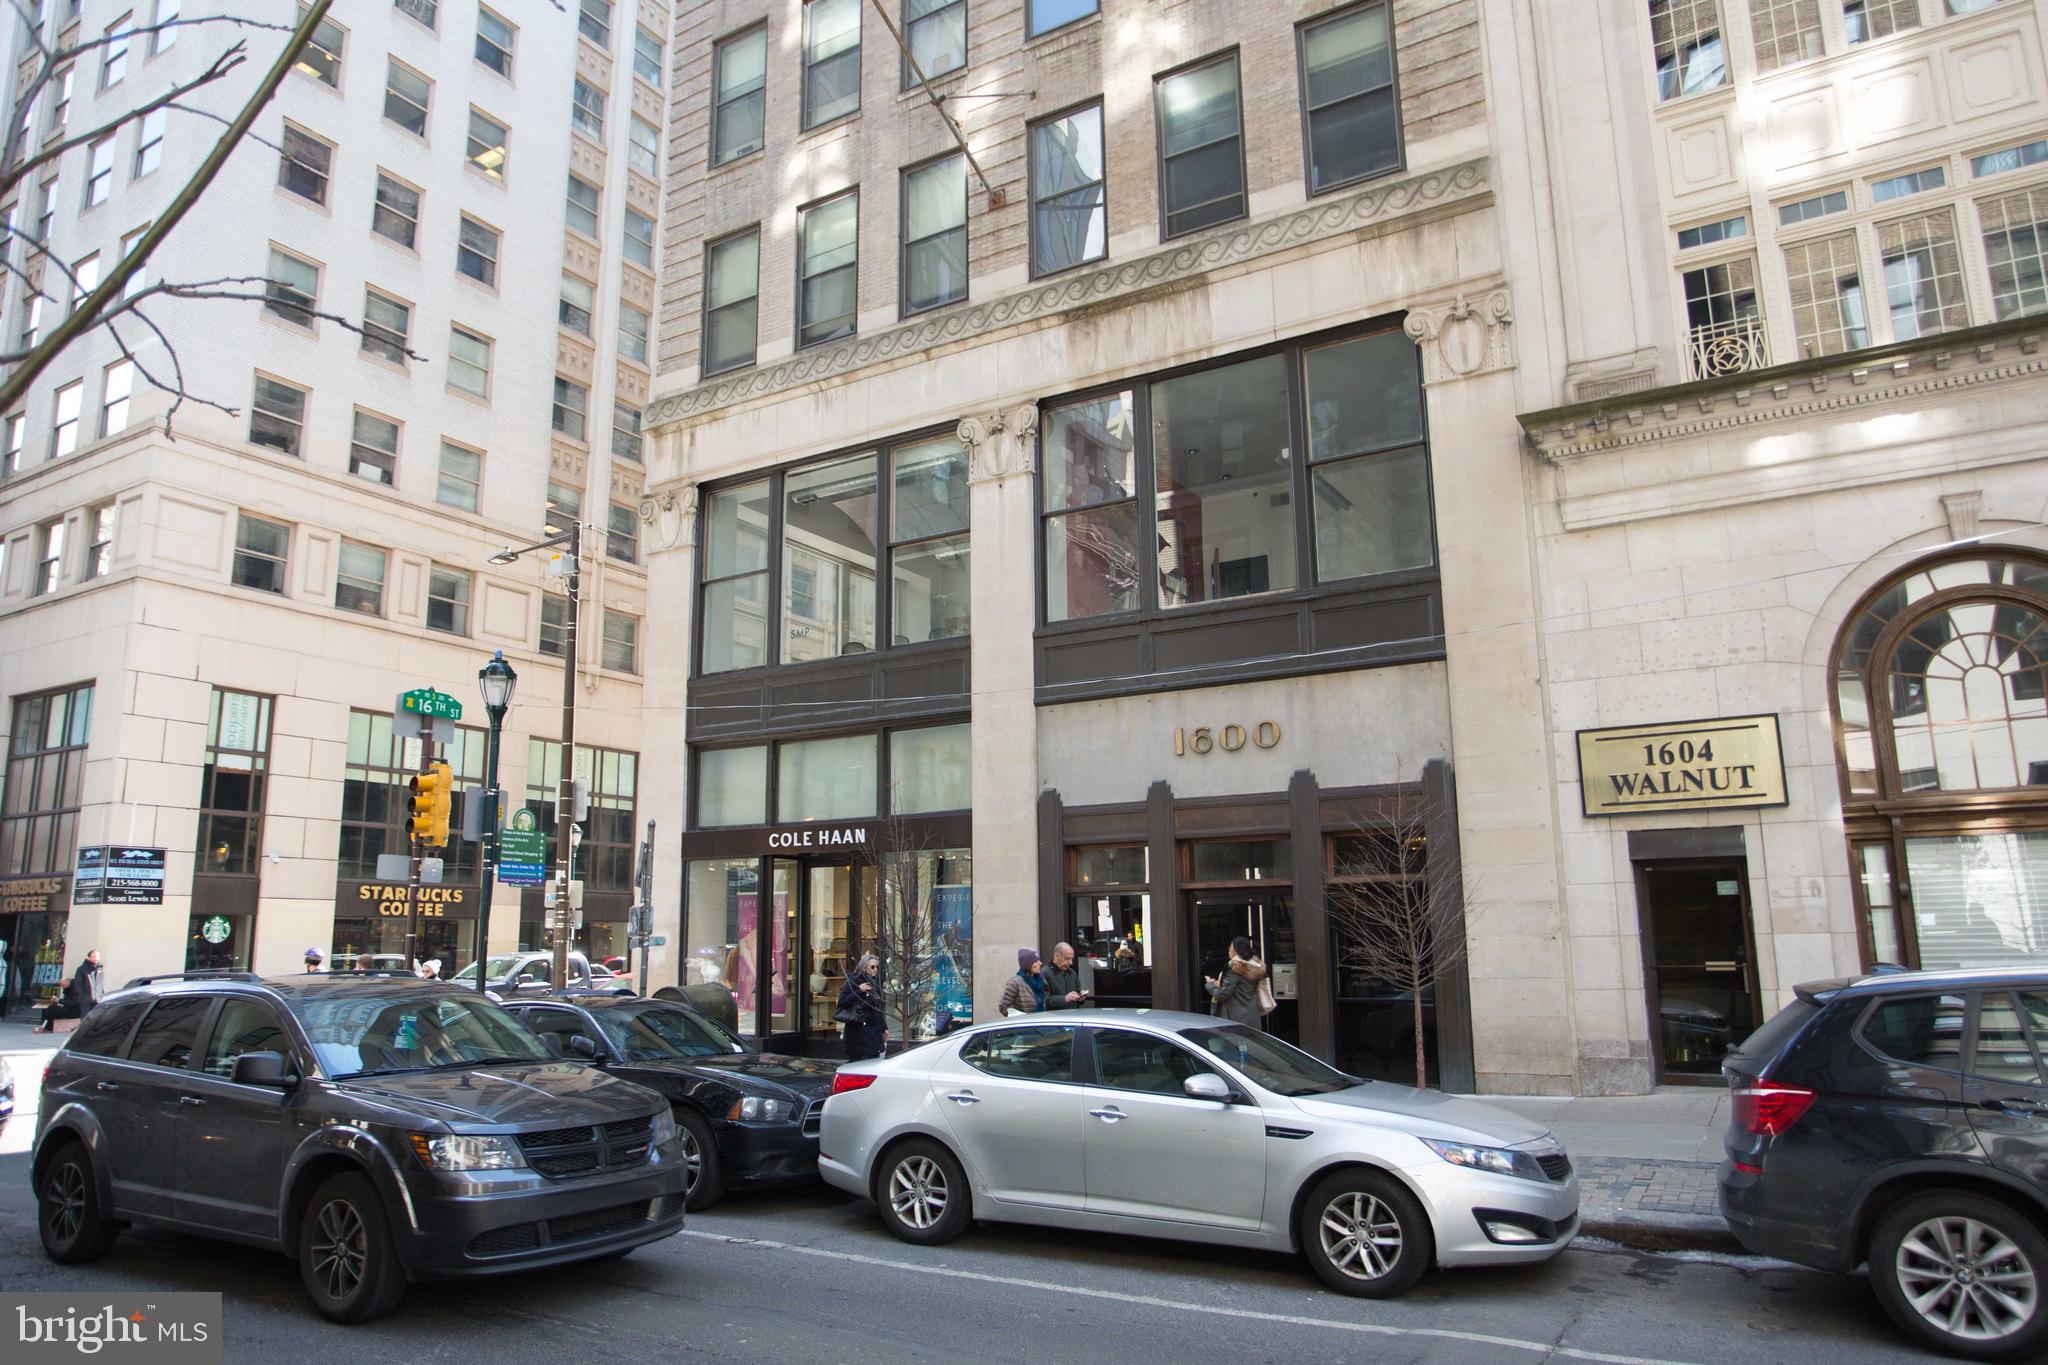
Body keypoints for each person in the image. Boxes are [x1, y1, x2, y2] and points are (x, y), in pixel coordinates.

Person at [1205, 935, 1266, 1027]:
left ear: (1236, 950)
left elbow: (1223, 994)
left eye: (1231, 946)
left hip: (1235, 1020)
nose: (1229, 949)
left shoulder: (1235, 969)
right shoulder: (1255, 967)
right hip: (1252, 1017)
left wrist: (1210, 985)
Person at [38, 949, 102, 1033]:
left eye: (97, 956)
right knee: (50, 1008)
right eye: (93, 957)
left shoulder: (99, 969)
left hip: (92, 999)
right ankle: (46, 1026)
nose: (95, 958)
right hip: (85, 999)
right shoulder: (82, 969)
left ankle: (89, 1031)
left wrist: (100, 994)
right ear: (89, 958)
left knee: (94, 1016)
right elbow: (79, 985)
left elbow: (99, 983)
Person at [837, 953, 886, 1060]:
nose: (875, 969)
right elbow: (842, 1003)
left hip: (873, 1032)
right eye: (872, 967)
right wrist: (859, 990)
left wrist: (884, 1028)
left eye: (877, 967)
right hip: (858, 1031)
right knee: (858, 1065)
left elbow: (877, 1009)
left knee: (873, 1063)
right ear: (864, 968)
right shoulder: (853, 981)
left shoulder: (875, 983)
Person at [998, 948, 1045, 1016]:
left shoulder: (1041, 980)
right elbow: (1003, 1006)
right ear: (1028, 965)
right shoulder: (1015, 983)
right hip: (1026, 1025)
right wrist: (1019, 1019)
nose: (1040, 963)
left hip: (1041, 1022)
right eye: (1036, 961)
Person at [1043, 941, 1089, 1010]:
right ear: (1057, 955)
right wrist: (1064, 999)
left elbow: (1077, 991)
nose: (1071, 963)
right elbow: (1042, 1001)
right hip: (1055, 1018)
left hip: (1072, 1016)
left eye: (1071, 959)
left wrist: (1080, 998)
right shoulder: (1045, 973)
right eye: (1067, 959)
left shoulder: (1071, 973)